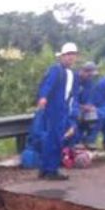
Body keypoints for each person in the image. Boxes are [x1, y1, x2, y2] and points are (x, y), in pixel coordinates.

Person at [36, 42, 79, 179]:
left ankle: (44, 169)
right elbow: (47, 85)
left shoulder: (72, 74)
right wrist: (43, 97)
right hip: (54, 109)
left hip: (63, 109)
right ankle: (51, 170)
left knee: (52, 139)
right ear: (62, 56)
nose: (70, 58)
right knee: (55, 140)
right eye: (68, 55)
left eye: (73, 55)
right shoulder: (56, 70)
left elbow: (72, 94)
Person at [75, 61, 99, 148]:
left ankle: (89, 140)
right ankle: (75, 141)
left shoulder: (89, 82)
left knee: (95, 115)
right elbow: (70, 98)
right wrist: (81, 106)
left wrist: (89, 105)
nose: (90, 77)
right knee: (77, 115)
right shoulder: (74, 79)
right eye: (89, 74)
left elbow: (90, 96)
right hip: (73, 107)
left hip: (84, 107)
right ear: (83, 71)